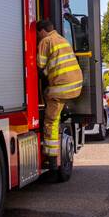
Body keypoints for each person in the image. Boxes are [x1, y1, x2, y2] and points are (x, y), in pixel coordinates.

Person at [36, 19, 84, 162]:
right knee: (50, 96)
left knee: (51, 120)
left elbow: (39, 65)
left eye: (38, 33)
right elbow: (57, 64)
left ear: (42, 31)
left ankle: (51, 158)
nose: (38, 36)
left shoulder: (45, 41)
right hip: (75, 85)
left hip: (61, 89)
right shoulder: (63, 39)